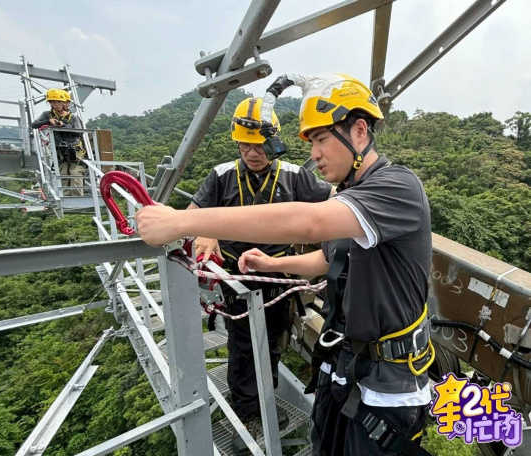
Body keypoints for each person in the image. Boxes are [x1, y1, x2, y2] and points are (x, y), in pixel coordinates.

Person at [136, 74, 433, 456]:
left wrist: (184, 221)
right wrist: (273, 263)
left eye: (321, 140)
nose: (315, 154)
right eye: (311, 143)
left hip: (387, 384)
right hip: (343, 365)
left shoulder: (398, 187)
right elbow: (329, 258)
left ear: (360, 131)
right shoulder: (351, 195)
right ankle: (250, 407)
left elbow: (309, 221)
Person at [189, 97, 333, 453]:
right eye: (245, 144)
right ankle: (247, 413)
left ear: (273, 142)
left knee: (270, 344)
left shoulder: (294, 176)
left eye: (259, 145)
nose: (252, 153)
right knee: (241, 346)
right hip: (237, 276)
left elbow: (335, 197)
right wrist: (203, 230)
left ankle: (262, 401)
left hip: (278, 275)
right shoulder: (222, 176)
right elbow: (192, 213)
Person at [31, 88, 86, 196]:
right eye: (53, 102)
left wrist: (63, 125)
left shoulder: (73, 117)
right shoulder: (48, 115)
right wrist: (48, 121)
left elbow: (79, 133)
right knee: (63, 173)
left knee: (75, 172)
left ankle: (77, 196)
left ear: (65, 103)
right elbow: (34, 125)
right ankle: (66, 196)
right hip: (60, 150)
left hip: (74, 148)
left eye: (59, 102)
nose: (56, 104)